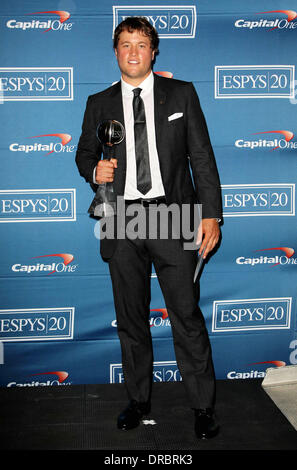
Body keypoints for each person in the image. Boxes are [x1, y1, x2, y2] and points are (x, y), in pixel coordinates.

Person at [76, 16, 222, 439]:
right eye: (125, 44)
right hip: (120, 217)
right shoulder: (98, 102)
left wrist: (211, 213)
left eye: (141, 44)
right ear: (116, 51)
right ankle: (138, 400)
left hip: (174, 217)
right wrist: (93, 170)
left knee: (186, 316)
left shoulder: (182, 94)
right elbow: (84, 153)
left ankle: (202, 407)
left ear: (153, 51)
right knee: (131, 318)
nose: (134, 52)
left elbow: (202, 157)